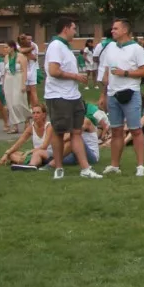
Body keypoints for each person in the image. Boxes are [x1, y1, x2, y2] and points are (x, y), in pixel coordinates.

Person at [44, 17, 101, 180]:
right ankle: (59, 168)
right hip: (59, 95)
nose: (75, 32)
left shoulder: (66, 47)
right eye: (74, 28)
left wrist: (75, 79)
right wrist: (75, 76)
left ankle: (85, 168)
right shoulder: (55, 46)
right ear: (66, 28)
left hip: (73, 95)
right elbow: (54, 71)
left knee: (76, 132)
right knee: (59, 132)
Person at [97, 18, 144, 176]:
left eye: (115, 29)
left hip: (130, 92)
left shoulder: (136, 49)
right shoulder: (110, 48)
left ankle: (140, 166)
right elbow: (107, 71)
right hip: (112, 94)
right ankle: (114, 165)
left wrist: (125, 73)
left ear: (125, 30)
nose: (112, 31)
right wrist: (103, 93)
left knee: (135, 130)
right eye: (112, 29)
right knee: (116, 131)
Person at [0, 40, 29, 132]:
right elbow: (5, 72)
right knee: (10, 104)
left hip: (18, 79)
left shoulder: (21, 57)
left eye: (7, 47)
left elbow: (24, 71)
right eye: (4, 47)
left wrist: (23, 84)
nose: (5, 49)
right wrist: (3, 84)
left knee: (18, 102)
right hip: (9, 80)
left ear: (12, 47)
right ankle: (15, 125)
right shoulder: (6, 58)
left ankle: (27, 120)